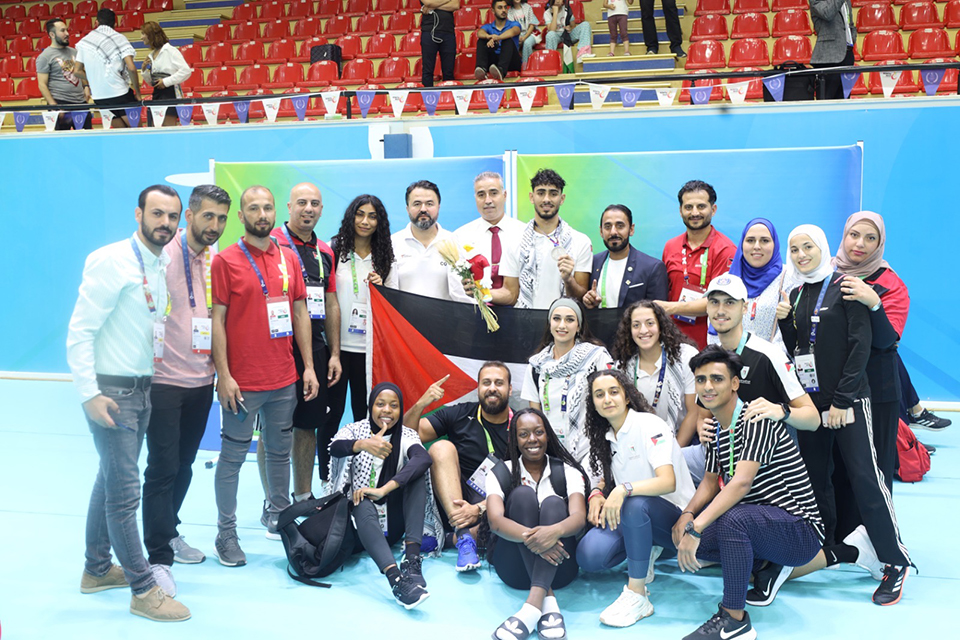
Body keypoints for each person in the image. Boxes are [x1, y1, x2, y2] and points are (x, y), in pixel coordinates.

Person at [67, 184, 190, 622]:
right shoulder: (111, 260)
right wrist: (89, 394)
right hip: (111, 394)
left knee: (110, 480)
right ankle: (143, 588)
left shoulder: (161, 260)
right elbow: (80, 332)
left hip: (141, 389)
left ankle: (97, 569)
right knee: (124, 494)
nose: (165, 224)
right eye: (157, 214)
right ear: (138, 213)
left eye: (172, 217)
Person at [777, 224, 911, 605]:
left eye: (808, 247)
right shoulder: (799, 292)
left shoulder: (847, 286)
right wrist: (787, 322)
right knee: (815, 479)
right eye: (795, 248)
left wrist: (842, 401)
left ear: (821, 247)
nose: (802, 254)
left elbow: (860, 348)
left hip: (849, 402)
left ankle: (895, 561)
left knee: (868, 480)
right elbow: (800, 350)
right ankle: (823, 548)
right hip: (815, 404)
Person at [674, 346, 823, 640]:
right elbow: (708, 481)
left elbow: (741, 484)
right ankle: (762, 565)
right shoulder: (716, 426)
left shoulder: (756, 417)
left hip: (800, 531)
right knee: (688, 538)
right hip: (761, 523)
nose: (707, 386)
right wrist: (687, 517)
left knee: (732, 520)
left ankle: (734, 620)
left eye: (716, 379)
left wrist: (698, 526)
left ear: (734, 383)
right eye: (701, 380)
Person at [210, 185, 319, 566]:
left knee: (278, 452)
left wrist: (307, 366)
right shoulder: (225, 261)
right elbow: (217, 322)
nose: (262, 214)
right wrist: (223, 374)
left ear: (276, 212)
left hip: (283, 378)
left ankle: (279, 516)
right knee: (233, 458)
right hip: (242, 383)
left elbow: (301, 313)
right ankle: (226, 533)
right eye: (253, 208)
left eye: (267, 207)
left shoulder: (290, 258)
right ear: (241, 217)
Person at [142, 185, 230, 594]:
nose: (215, 226)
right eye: (208, 216)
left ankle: (168, 530)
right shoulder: (163, 254)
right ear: (189, 215)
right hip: (162, 381)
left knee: (183, 465)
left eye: (222, 219)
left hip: (200, 380)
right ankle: (156, 557)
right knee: (161, 469)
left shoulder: (213, 260)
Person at [578, 369, 695, 627]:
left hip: (675, 520)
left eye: (613, 392)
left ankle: (638, 594)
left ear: (627, 397)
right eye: (599, 395)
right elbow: (610, 477)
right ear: (594, 404)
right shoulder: (606, 437)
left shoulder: (649, 424)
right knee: (589, 556)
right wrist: (598, 492)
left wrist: (623, 489)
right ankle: (647, 549)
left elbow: (668, 481)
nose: (607, 399)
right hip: (637, 516)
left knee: (633, 503)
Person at [328, 383, 444, 609]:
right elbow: (334, 448)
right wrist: (362, 445)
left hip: (393, 522)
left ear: (401, 410)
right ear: (371, 407)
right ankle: (397, 580)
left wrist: (384, 489)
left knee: (416, 475)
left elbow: (423, 459)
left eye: (394, 406)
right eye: (380, 404)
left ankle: (411, 560)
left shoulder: (407, 434)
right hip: (359, 527)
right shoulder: (355, 430)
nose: (387, 411)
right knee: (359, 500)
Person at [697, 274, 820, 486]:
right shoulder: (708, 357)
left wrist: (780, 411)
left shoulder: (769, 355)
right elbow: (703, 416)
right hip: (722, 462)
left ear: (744, 308)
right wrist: (702, 428)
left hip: (770, 472)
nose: (720, 310)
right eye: (714, 302)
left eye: (729, 303)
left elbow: (813, 420)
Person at [269, 183, 342, 506]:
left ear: (322, 209)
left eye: (315, 203)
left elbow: (332, 304)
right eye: (302, 202)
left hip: (314, 347)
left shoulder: (325, 251)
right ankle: (274, 502)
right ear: (289, 207)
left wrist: (335, 353)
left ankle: (302, 495)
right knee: (274, 428)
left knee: (307, 426)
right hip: (276, 347)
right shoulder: (270, 244)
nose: (308, 208)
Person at [486, 408, 587, 640]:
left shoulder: (568, 472)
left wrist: (554, 532)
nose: (532, 439)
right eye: (524, 434)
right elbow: (495, 521)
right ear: (515, 439)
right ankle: (547, 603)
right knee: (522, 495)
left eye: (539, 432)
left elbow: (579, 518)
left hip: (561, 569)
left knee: (553, 504)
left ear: (548, 435)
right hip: (514, 570)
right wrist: (535, 539)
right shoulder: (500, 473)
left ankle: (530, 608)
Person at [405, 362, 513, 573]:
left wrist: (479, 509)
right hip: (452, 501)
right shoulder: (460, 413)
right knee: (440, 448)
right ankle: (463, 537)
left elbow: (523, 480)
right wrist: (420, 404)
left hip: (492, 506)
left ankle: (447, 539)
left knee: (514, 521)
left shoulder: (520, 425)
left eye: (499, 383)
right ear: (478, 388)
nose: (492, 388)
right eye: (486, 382)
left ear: (510, 389)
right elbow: (407, 434)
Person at [328, 195, 398, 447]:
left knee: (364, 415)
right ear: (351, 216)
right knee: (331, 415)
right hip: (335, 349)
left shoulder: (386, 255)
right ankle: (327, 478)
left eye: (372, 216)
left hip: (369, 350)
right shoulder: (333, 249)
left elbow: (395, 303)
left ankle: (359, 476)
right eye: (360, 214)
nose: (365, 221)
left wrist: (382, 290)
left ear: (380, 222)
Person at [521, 298, 613, 464]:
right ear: (549, 323)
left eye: (569, 320)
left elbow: (614, 401)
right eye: (557, 319)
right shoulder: (536, 366)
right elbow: (536, 417)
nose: (562, 325)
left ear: (578, 326)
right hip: (551, 453)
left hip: (591, 451)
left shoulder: (596, 358)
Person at [611, 300, 699, 456]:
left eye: (650, 323)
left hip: (681, 444)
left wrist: (673, 452)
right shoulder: (622, 367)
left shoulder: (686, 356)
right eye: (636, 325)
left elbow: (694, 412)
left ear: (661, 326)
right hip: (639, 446)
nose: (643, 330)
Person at [658, 180, 736, 349]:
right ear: (680, 211)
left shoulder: (726, 249)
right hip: (673, 341)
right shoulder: (670, 246)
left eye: (701, 206)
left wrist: (670, 308)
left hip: (710, 343)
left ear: (713, 210)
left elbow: (717, 301)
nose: (694, 213)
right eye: (688, 207)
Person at [708, 218, 799, 354]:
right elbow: (714, 326)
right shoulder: (728, 280)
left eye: (764, 240)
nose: (757, 246)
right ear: (742, 244)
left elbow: (788, 335)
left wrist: (762, 362)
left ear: (775, 245)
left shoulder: (789, 279)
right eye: (750, 240)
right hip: (730, 364)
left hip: (770, 365)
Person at [516, 169, 592, 309]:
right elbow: (511, 293)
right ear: (531, 197)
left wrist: (569, 280)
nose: (546, 199)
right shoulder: (515, 239)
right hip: (524, 322)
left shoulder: (581, 241)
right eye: (541, 193)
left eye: (553, 193)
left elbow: (582, 296)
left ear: (561, 199)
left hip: (564, 325)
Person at [391, 179, 472, 302]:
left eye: (429, 204)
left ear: (438, 207)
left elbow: (463, 295)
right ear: (407, 208)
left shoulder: (454, 242)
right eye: (417, 204)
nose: (423, 209)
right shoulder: (393, 243)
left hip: (446, 320)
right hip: (403, 320)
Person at [455, 171, 524, 305]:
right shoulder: (461, 236)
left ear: (504, 195)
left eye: (493, 193)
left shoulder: (523, 233)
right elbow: (456, 286)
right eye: (481, 195)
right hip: (475, 313)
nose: (488, 200)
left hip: (518, 313)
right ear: (475, 198)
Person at [583, 204, 668, 310]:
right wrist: (588, 302)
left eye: (620, 226)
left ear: (631, 229)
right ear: (601, 231)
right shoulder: (592, 262)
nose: (613, 232)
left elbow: (659, 315)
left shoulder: (652, 267)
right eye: (608, 227)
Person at [74, 9, 140, 128]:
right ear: (115, 24)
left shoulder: (84, 42)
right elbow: (131, 68)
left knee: (121, 135)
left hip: (100, 97)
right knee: (137, 132)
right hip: (121, 94)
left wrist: (94, 77)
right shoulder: (119, 38)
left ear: (96, 22)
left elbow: (77, 71)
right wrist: (138, 93)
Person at [36, 18, 92, 130]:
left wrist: (86, 86)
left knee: (86, 139)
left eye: (67, 30)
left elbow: (81, 71)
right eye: (62, 31)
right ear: (52, 34)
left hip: (81, 103)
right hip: (61, 103)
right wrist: (54, 107)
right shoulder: (44, 57)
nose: (67, 34)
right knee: (61, 142)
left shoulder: (74, 52)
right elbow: (42, 84)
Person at [140, 21, 192, 127]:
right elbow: (151, 83)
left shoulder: (170, 51)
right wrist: (144, 70)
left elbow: (186, 71)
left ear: (150, 35)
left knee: (169, 129)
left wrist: (166, 82)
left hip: (170, 93)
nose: (141, 37)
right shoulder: (151, 55)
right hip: (157, 94)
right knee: (155, 130)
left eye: (143, 33)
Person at [810, 0, 856, 100]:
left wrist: (852, 37)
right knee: (826, 101)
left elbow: (848, 21)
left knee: (845, 100)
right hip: (828, 58)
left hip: (847, 54)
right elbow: (827, 13)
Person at [475, 0, 522, 80]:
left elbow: (514, 31)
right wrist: (489, 37)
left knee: (507, 40)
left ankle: (501, 70)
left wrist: (498, 38)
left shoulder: (514, 24)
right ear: (493, 11)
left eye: (505, 8)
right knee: (481, 41)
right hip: (494, 63)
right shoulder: (488, 26)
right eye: (500, 8)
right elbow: (479, 33)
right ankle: (482, 69)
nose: (503, 10)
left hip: (511, 62)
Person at [420, 0, 460, 87]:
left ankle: (448, 98)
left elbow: (456, 5)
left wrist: (433, 6)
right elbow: (428, 3)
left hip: (448, 32)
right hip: (429, 32)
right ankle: (427, 98)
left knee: (448, 71)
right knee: (428, 71)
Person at [507, 0, 540, 66]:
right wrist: (518, 38)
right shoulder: (509, 12)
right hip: (518, 34)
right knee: (511, 44)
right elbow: (512, 28)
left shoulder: (528, 7)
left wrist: (524, 37)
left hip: (531, 33)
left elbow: (532, 25)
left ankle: (527, 66)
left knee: (527, 43)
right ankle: (516, 66)